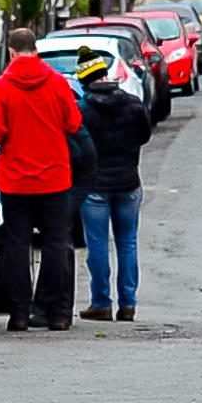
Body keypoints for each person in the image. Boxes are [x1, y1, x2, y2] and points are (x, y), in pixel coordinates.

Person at [0, 21, 84, 332]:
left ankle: (20, 314)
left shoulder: (0, 88)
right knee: (57, 245)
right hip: (54, 177)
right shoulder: (58, 84)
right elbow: (73, 123)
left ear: (11, 53)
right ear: (36, 50)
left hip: (15, 180)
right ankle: (59, 313)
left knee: (17, 246)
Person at [72, 47, 154, 322]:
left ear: (85, 81)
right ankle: (128, 304)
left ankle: (101, 302)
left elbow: (75, 145)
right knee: (127, 243)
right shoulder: (132, 104)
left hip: (95, 185)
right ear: (105, 74)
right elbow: (144, 136)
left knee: (97, 244)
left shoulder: (81, 110)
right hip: (129, 182)